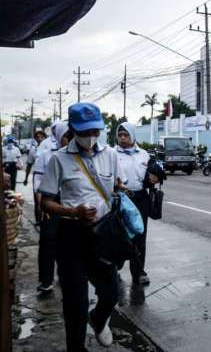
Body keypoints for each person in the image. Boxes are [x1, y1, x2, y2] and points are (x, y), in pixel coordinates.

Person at [39, 102, 126, 351]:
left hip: (104, 234)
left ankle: (99, 318)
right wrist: (73, 211)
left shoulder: (110, 154)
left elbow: (117, 185)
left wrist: (119, 189)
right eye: (85, 132)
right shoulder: (59, 159)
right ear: (74, 129)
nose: (90, 137)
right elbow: (46, 202)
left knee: (110, 293)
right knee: (75, 303)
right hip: (71, 235)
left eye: (95, 131)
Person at [32, 121, 71, 294]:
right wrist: (43, 206)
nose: (70, 139)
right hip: (51, 199)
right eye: (67, 136)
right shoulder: (46, 155)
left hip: (72, 201)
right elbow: (38, 180)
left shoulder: (77, 156)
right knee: (48, 240)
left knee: (69, 242)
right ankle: (46, 280)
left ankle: (66, 276)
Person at [116, 122, 152, 286]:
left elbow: (153, 173)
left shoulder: (144, 154)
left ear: (133, 136)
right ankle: (116, 263)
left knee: (140, 235)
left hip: (140, 198)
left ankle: (138, 272)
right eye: (120, 135)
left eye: (126, 135)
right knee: (120, 234)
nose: (122, 138)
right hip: (121, 199)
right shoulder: (112, 154)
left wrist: (155, 177)